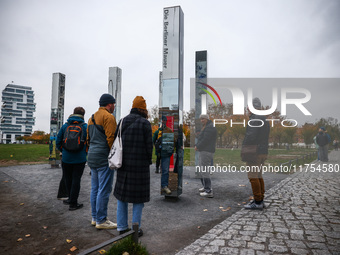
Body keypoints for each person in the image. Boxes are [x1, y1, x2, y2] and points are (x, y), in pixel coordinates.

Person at [114, 96, 153, 237]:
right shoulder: (145, 123)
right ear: (143, 108)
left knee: (122, 198)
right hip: (140, 166)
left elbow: (115, 141)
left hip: (122, 164)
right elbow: (149, 147)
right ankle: (135, 229)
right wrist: (148, 161)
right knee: (138, 199)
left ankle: (121, 228)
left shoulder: (122, 121)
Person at [87, 94, 117, 229]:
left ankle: (94, 217)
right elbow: (111, 138)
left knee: (95, 188)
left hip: (92, 155)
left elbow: (87, 138)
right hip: (103, 156)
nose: (114, 107)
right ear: (109, 104)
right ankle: (101, 220)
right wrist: (114, 156)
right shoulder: (108, 117)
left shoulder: (91, 117)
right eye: (114, 104)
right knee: (104, 189)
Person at [56, 107, 87, 210]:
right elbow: (88, 142)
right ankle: (73, 204)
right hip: (80, 159)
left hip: (66, 158)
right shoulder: (85, 127)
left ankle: (70, 199)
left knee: (68, 179)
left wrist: (64, 151)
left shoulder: (65, 126)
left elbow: (58, 141)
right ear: (83, 115)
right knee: (76, 180)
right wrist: (84, 152)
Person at [242, 98, 270, 210]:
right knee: (258, 176)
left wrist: (244, 146)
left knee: (253, 176)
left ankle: (258, 202)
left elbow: (251, 136)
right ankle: (261, 199)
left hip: (254, 152)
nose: (247, 109)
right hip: (263, 152)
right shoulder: (264, 119)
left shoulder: (254, 119)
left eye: (248, 107)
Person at [195, 114, 217, 198]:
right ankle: (205, 187)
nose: (202, 121)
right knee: (201, 169)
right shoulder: (207, 127)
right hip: (204, 150)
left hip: (206, 151)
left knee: (204, 171)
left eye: (203, 119)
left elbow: (205, 140)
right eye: (201, 119)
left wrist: (198, 146)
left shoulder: (210, 127)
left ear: (207, 119)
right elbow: (202, 138)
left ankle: (208, 190)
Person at [160, 115, 175, 195]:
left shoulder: (169, 130)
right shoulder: (158, 131)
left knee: (165, 170)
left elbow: (172, 141)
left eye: (164, 120)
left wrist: (171, 150)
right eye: (162, 120)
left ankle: (164, 186)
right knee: (161, 170)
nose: (163, 122)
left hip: (165, 153)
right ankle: (163, 185)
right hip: (159, 153)